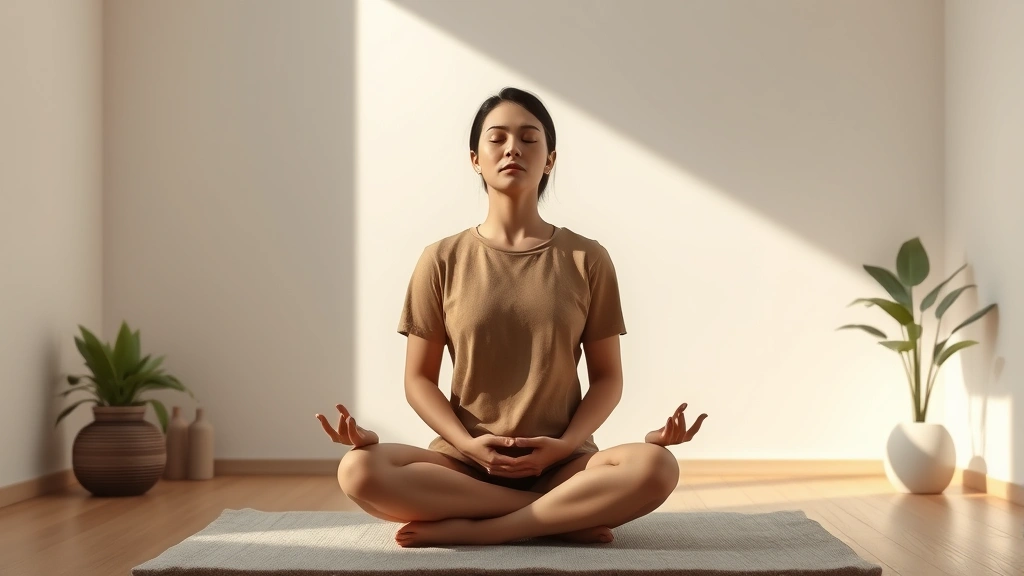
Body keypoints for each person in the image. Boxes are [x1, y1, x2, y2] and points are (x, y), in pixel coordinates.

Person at [315, 87, 707, 548]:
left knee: (657, 466)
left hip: (565, 465)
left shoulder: (587, 258)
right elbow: (418, 379)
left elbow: (607, 378)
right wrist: (467, 445)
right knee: (359, 469)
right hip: (465, 466)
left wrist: (563, 446)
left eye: (528, 138)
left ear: (550, 159)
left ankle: (484, 530)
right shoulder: (440, 259)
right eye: (497, 138)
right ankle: (558, 519)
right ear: (476, 159)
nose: (512, 149)